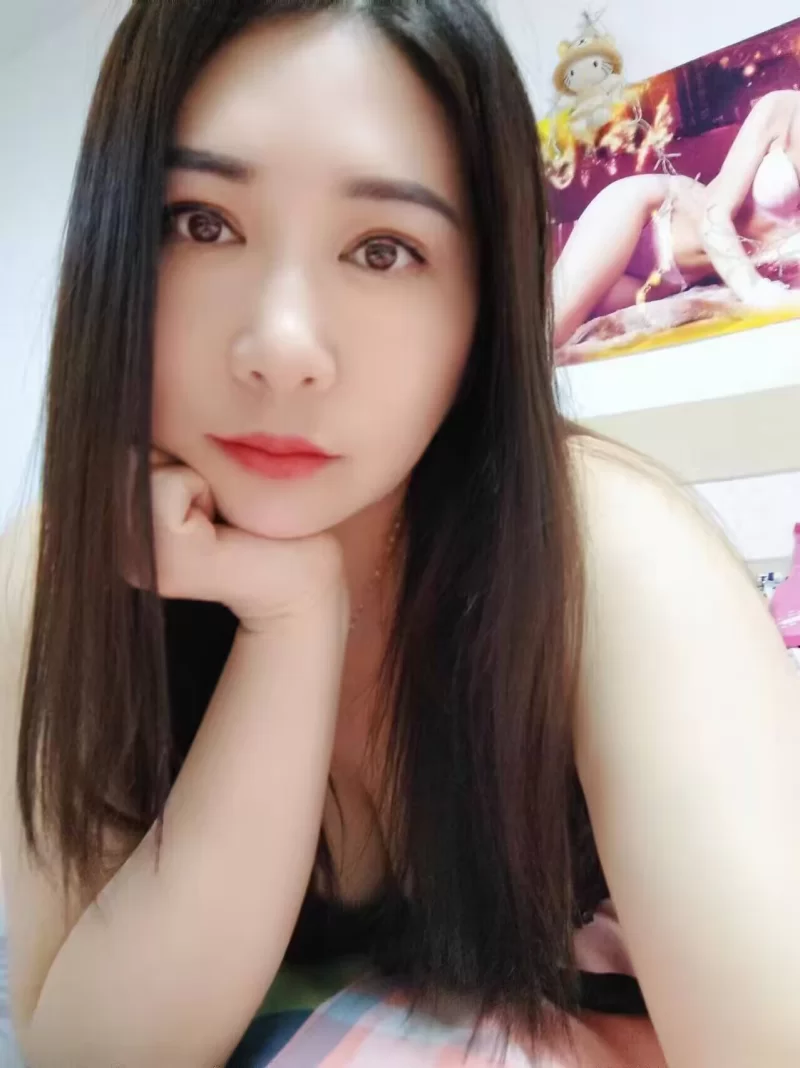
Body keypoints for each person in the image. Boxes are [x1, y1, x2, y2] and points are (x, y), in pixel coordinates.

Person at [0, 2, 798, 1066]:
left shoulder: (607, 552)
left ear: (484, 305)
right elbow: (86, 1050)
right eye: (200, 223)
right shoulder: (59, 564)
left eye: (383, 249)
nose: (282, 347)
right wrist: (289, 623)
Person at [553, 89, 800, 347]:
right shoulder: (782, 108)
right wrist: (756, 291)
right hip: (651, 216)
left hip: (672, 279)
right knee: (549, 331)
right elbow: (714, 216)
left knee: (544, 321)